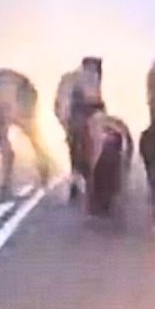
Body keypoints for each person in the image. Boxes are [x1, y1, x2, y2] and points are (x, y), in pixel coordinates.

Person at [53, 56, 106, 202]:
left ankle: (77, 183)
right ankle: (87, 181)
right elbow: (94, 101)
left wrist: (64, 122)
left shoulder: (70, 77)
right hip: (81, 118)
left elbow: (59, 105)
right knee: (91, 148)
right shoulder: (89, 77)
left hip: (73, 120)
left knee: (75, 152)